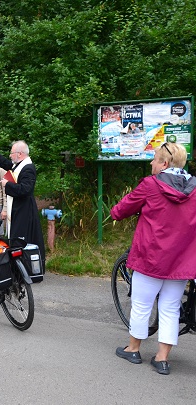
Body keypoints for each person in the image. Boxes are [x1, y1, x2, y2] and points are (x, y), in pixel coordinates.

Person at [111, 142, 196, 375]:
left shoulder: (151, 185)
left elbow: (121, 210)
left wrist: (115, 212)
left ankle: (133, 349)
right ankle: (162, 358)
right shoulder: (194, 189)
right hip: (181, 261)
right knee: (170, 308)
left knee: (141, 305)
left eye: (155, 159)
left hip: (151, 258)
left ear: (164, 163)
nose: (151, 162)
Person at [0, 140, 46, 270]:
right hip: (18, 209)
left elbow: (26, 189)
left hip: (24, 211)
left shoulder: (28, 168)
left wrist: (7, 184)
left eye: (11, 153)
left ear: (19, 154)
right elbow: (5, 163)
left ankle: (24, 267)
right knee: (16, 238)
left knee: (21, 240)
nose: (10, 155)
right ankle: (18, 267)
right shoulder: (19, 165)